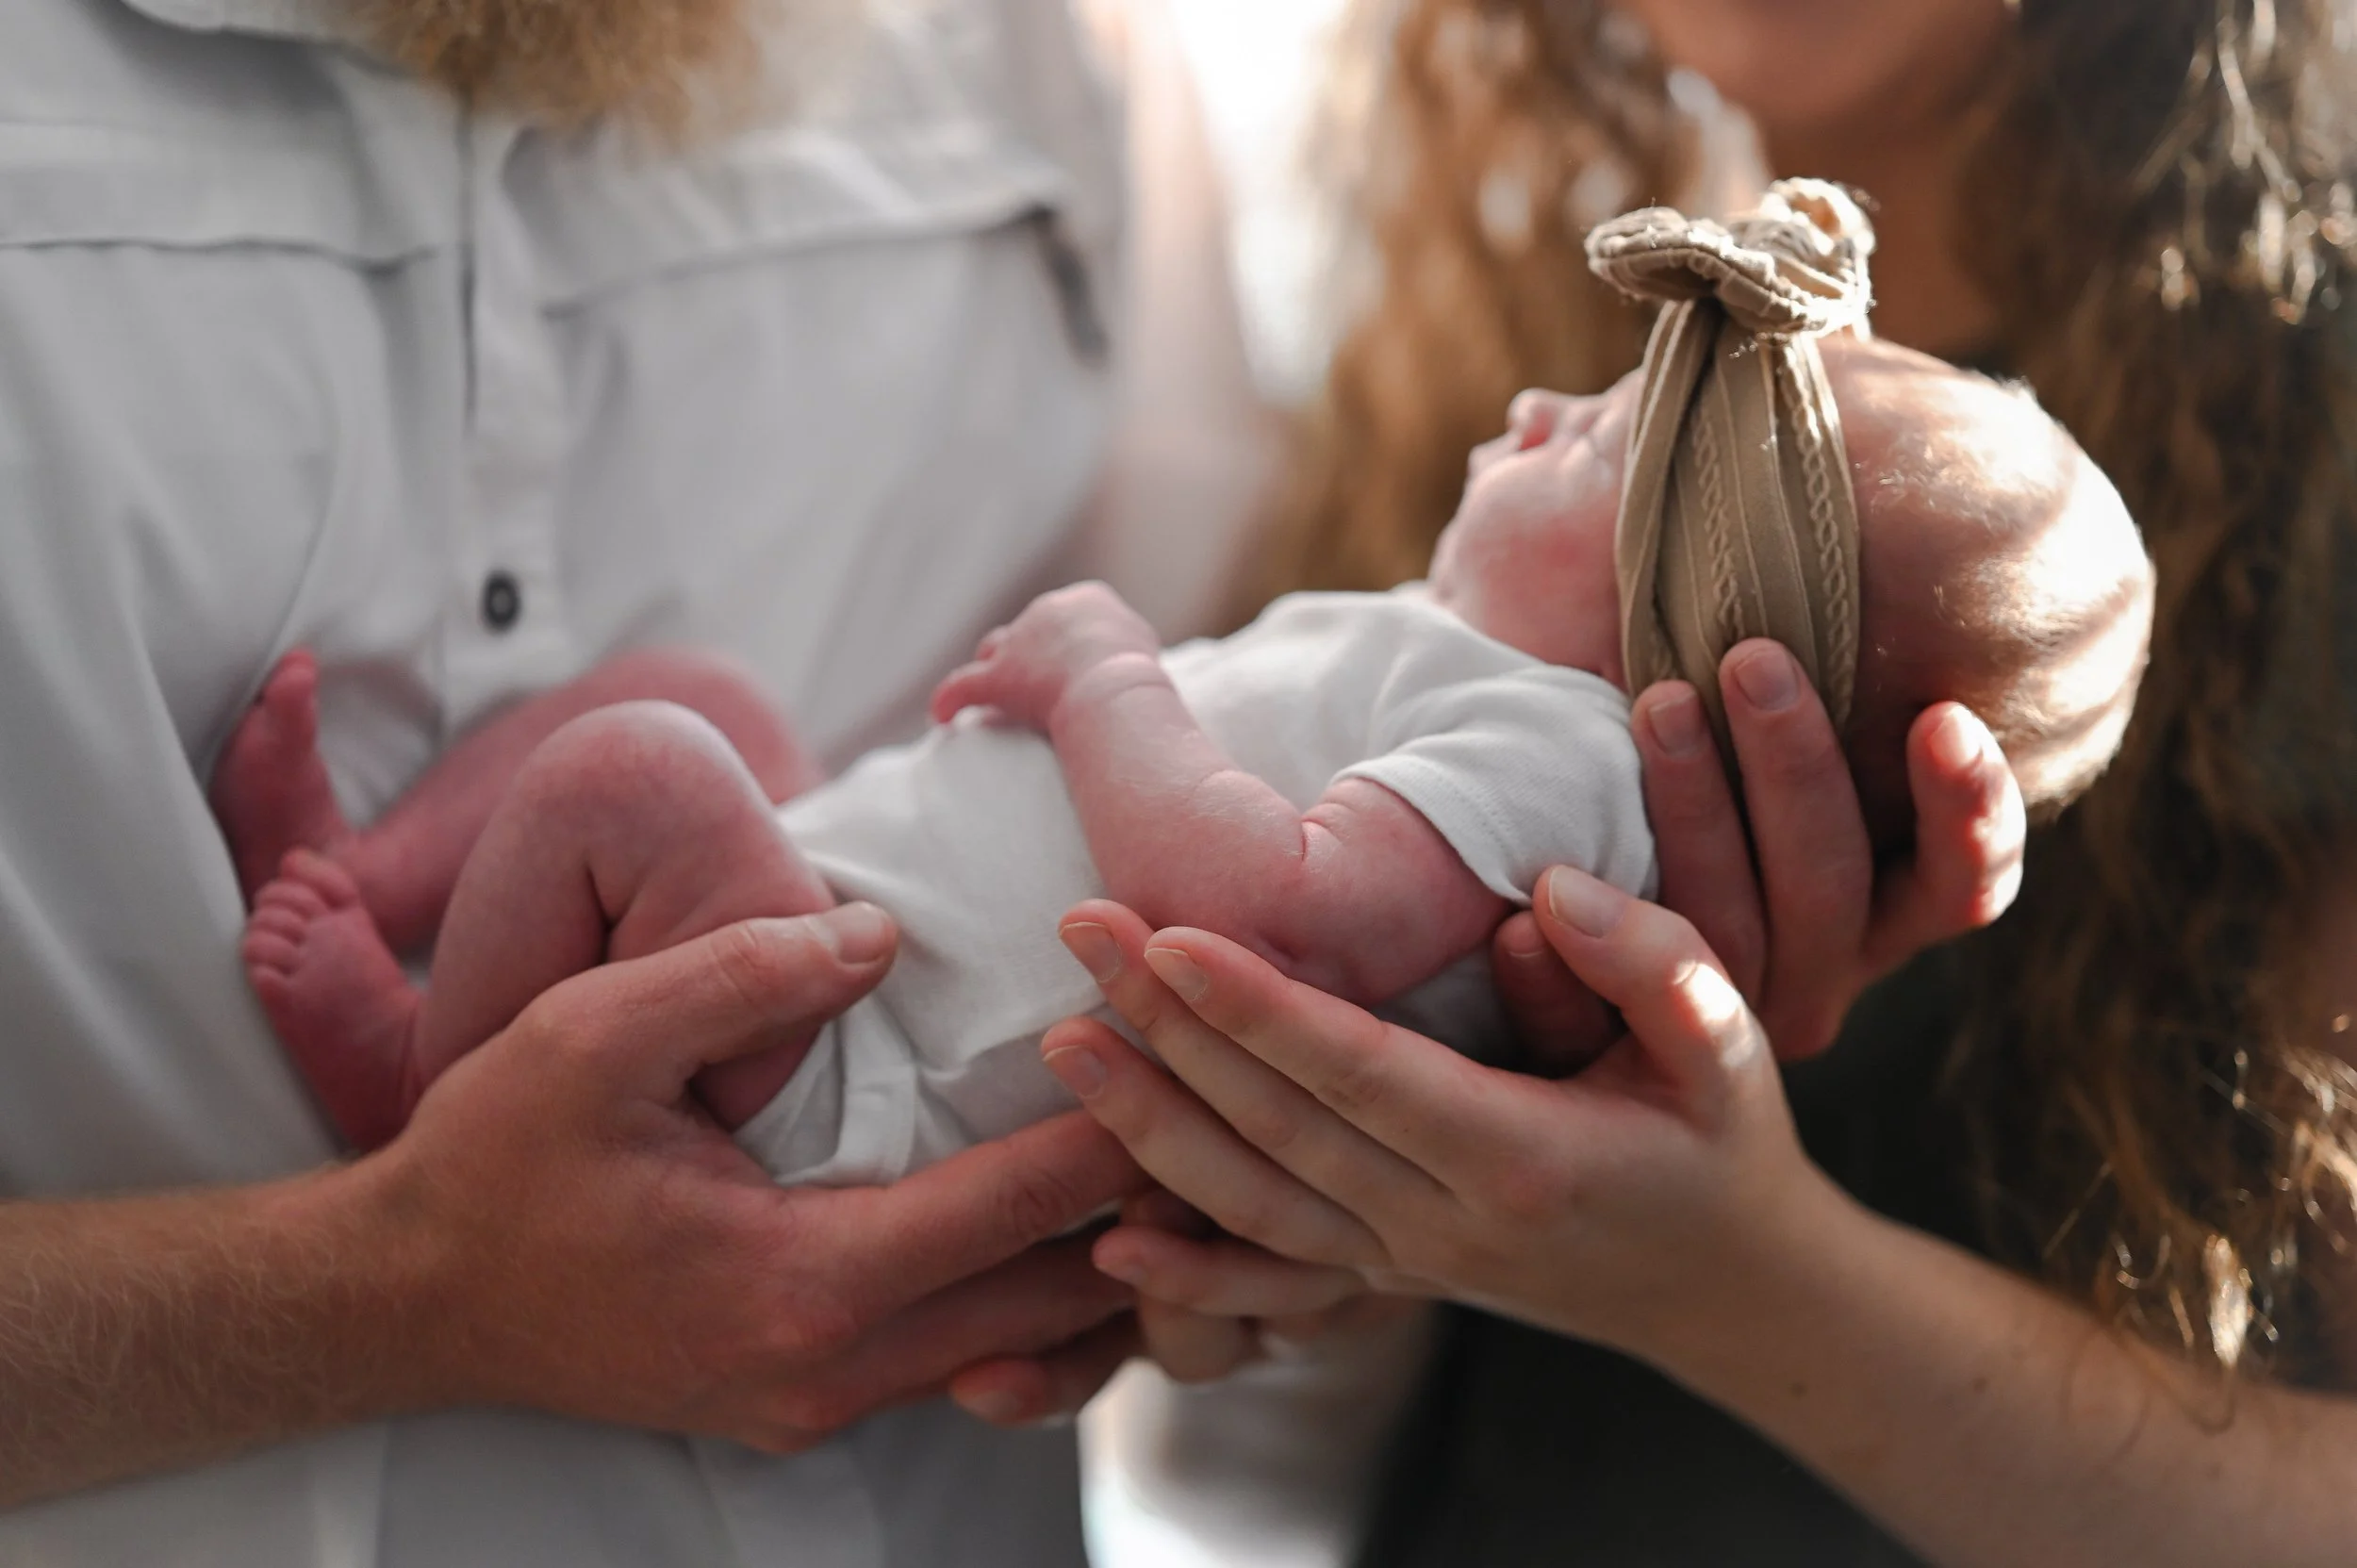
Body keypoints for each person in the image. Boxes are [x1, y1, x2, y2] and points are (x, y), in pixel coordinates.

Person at [1014, 0, 2357, 1561]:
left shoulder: (2313, 471)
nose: (1552, 437)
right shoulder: (1476, 398)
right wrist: (1346, 1216)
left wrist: (1737, 1279)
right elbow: (1239, 1482)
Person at [0, 0, 1306, 1558]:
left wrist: (1255, 1244)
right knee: (659, 762)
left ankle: (375, 890)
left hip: (895, 1115)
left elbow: (1232, 854)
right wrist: (397, 1292)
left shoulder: (1047, 61)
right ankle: (403, 1015)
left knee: (691, 737)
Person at [205, 186, 2151, 1215]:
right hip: (841, 926)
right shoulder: (1487, 693)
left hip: (857, 1062)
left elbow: (1268, 910)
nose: (1538, 410)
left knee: (644, 760)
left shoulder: (1552, 758)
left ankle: (422, 1091)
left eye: (1603, 449)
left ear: (1684, 616)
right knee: (697, 704)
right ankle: (376, 869)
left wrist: (1101, 678)